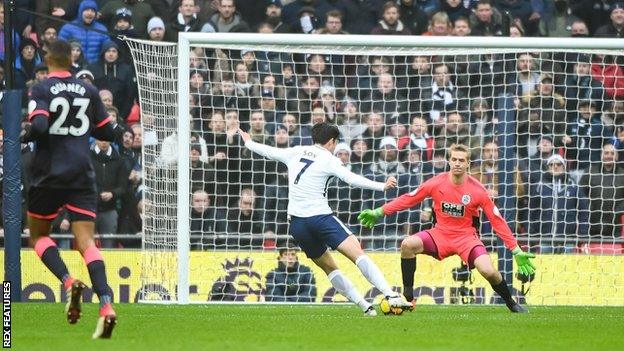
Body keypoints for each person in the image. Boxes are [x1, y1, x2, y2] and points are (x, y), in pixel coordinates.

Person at [238, 122, 412, 315]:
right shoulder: (329, 159)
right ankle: (390, 294)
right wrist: (382, 186)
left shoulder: (296, 151)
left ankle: (366, 307)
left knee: (330, 268)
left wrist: (249, 142)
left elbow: (268, 151)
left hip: (297, 224)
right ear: (331, 142)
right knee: (357, 253)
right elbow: (351, 179)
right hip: (320, 217)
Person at [358, 144, 536, 313]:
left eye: (461, 160)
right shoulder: (436, 183)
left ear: (468, 164)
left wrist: (515, 249)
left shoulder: (478, 190)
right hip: (440, 235)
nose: (457, 163)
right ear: (449, 161)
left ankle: (511, 303)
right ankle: (408, 297)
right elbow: (408, 199)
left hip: (467, 238)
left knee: (488, 271)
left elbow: (497, 220)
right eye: (454, 159)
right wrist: (380, 211)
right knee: (407, 245)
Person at [20, 39, 117, 338]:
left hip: (49, 173)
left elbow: (39, 126)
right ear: (71, 60)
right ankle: (106, 305)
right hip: (80, 173)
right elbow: (107, 132)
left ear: (48, 58)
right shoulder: (88, 90)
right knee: (87, 242)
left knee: (37, 235)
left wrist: (22, 134)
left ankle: (66, 281)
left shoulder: (42, 88)